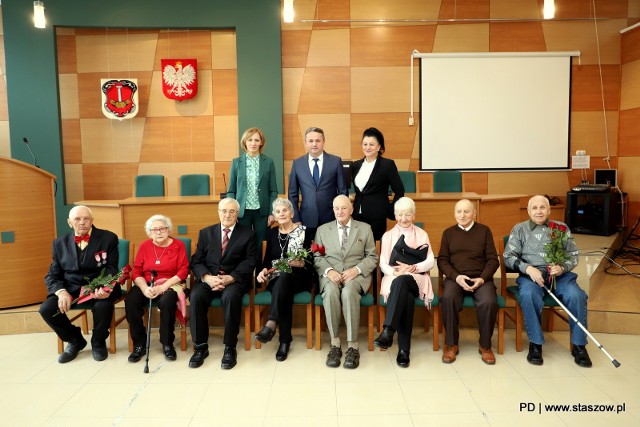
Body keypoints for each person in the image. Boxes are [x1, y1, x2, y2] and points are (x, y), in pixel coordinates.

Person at [503, 195, 592, 367]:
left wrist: (562, 267)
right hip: (532, 277)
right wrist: (527, 268)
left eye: (542, 207)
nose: (538, 211)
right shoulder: (519, 229)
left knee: (576, 296)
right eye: (534, 208)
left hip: (560, 277)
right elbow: (508, 257)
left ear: (549, 210)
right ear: (528, 211)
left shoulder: (561, 228)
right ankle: (536, 344)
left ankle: (579, 346)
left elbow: (573, 256)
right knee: (528, 295)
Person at [39, 205, 121, 363]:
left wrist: (103, 286)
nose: (82, 222)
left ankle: (98, 341)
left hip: (100, 285)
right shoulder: (59, 243)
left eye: (86, 219)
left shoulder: (108, 238)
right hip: (71, 288)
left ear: (92, 221)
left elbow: (111, 268)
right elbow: (53, 274)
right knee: (47, 309)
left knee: (103, 305)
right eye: (77, 219)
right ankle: (75, 340)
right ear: (70, 222)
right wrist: (61, 291)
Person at [188, 197, 257, 369]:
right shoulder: (206, 233)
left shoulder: (248, 233)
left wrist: (231, 277)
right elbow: (196, 261)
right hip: (209, 278)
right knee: (196, 296)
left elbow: (250, 261)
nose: (228, 214)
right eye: (224, 211)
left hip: (234, 279)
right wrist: (207, 277)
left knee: (231, 297)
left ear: (237, 213)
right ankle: (200, 346)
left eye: (232, 211)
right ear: (218, 212)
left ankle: (229, 347)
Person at [314, 195, 378, 369]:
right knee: (331, 293)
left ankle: (353, 346)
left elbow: (372, 257)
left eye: (344, 208)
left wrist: (356, 270)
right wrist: (329, 271)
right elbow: (317, 257)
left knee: (349, 293)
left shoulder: (365, 228)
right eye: (336, 208)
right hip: (331, 274)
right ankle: (335, 345)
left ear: (351, 209)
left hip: (356, 275)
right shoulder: (322, 230)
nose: (340, 211)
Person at [373, 197, 434, 368]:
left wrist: (412, 267)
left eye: (407, 214)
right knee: (404, 295)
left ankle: (388, 331)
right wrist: (394, 271)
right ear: (395, 215)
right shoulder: (387, 236)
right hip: (394, 278)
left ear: (413, 216)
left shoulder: (422, 234)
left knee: (403, 281)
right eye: (400, 214)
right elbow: (383, 263)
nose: (404, 218)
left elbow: (430, 262)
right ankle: (403, 351)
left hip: (417, 279)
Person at [437, 199, 499, 365]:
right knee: (448, 298)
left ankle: (485, 345)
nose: (462, 215)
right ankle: (451, 344)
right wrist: (456, 277)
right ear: (454, 214)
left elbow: (493, 260)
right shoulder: (448, 233)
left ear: (474, 213)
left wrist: (482, 278)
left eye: (466, 211)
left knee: (489, 301)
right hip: (455, 278)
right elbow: (442, 260)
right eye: (459, 211)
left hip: (480, 278)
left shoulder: (484, 231)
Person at [255, 198, 315, 361]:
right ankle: (284, 341)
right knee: (283, 284)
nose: (281, 214)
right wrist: (263, 271)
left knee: (284, 280)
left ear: (292, 213)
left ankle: (272, 325)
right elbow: (267, 261)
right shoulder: (272, 233)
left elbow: (312, 262)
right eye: (278, 211)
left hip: (299, 277)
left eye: (285, 210)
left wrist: (300, 262)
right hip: (277, 278)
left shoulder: (306, 231)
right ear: (274, 215)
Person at [125, 215, 189, 363]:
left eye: (162, 228)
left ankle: (167, 343)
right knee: (131, 302)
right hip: (147, 284)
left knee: (167, 302)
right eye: (155, 230)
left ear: (169, 230)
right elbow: (136, 272)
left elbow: (183, 271)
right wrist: (144, 288)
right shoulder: (144, 246)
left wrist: (162, 288)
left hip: (171, 284)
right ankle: (139, 344)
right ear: (149, 232)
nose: (159, 232)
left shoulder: (178, 245)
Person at [288, 127, 348, 239]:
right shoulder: (297, 163)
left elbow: (343, 191)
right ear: (306, 143)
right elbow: (292, 193)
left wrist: (341, 215)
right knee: (308, 254)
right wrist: (296, 218)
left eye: (318, 140)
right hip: (306, 217)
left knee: (330, 252)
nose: (314, 144)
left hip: (331, 217)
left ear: (323, 141)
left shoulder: (335, 161)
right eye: (311, 141)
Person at [227, 127, 278, 253]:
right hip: (242, 212)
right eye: (250, 140)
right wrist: (233, 212)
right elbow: (231, 191)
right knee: (243, 243)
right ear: (245, 142)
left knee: (260, 244)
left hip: (262, 212)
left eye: (256, 140)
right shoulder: (236, 162)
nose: (253, 143)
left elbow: (273, 190)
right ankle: (245, 272)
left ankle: (260, 271)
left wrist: (272, 212)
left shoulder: (268, 162)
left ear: (261, 142)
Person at [350, 127, 404, 241]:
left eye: (371, 144)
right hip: (357, 216)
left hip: (377, 216)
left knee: (374, 250)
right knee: (358, 249)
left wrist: (390, 210)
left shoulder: (387, 165)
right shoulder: (356, 165)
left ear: (379, 147)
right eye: (365, 144)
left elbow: (399, 190)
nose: (367, 147)